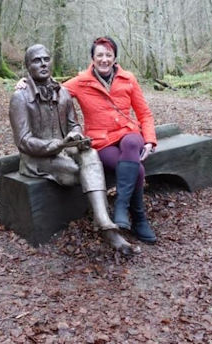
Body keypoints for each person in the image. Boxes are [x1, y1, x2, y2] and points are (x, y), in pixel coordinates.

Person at [9, 44, 136, 255]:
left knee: (91, 153)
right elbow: (23, 141)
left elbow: (73, 124)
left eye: (46, 59)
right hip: (37, 159)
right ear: (27, 66)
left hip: (63, 149)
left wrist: (76, 135)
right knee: (81, 172)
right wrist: (56, 145)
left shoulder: (63, 93)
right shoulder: (20, 98)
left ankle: (104, 222)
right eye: (36, 60)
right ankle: (104, 223)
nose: (43, 64)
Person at [63, 35, 158, 244]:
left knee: (133, 143)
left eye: (109, 55)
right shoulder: (80, 82)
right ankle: (140, 219)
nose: (104, 59)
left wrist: (149, 140)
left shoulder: (128, 78)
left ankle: (121, 207)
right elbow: (53, 90)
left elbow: (145, 114)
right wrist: (26, 83)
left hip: (128, 133)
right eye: (100, 55)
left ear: (115, 57)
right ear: (92, 58)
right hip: (101, 140)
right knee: (138, 170)